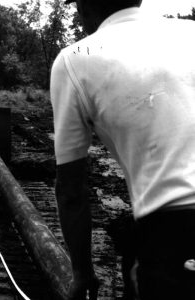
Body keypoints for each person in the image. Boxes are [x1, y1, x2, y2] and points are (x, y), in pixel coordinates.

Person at [50, 0, 195, 299]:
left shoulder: (74, 59)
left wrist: (82, 273)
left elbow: (71, 190)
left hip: (176, 233)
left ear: (83, 8)